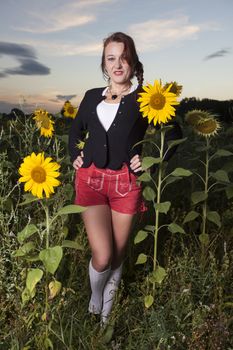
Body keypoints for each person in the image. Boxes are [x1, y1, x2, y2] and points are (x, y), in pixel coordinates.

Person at [68, 32, 181, 325]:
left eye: (124, 57)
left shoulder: (146, 98)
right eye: (111, 58)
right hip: (90, 180)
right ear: (104, 64)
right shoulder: (92, 95)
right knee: (102, 255)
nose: (118, 64)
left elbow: (175, 133)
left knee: (117, 256)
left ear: (132, 61)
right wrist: (74, 155)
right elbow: (75, 131)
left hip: (125, 184)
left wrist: (153, 161)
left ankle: (105, 320)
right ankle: (96, 297)